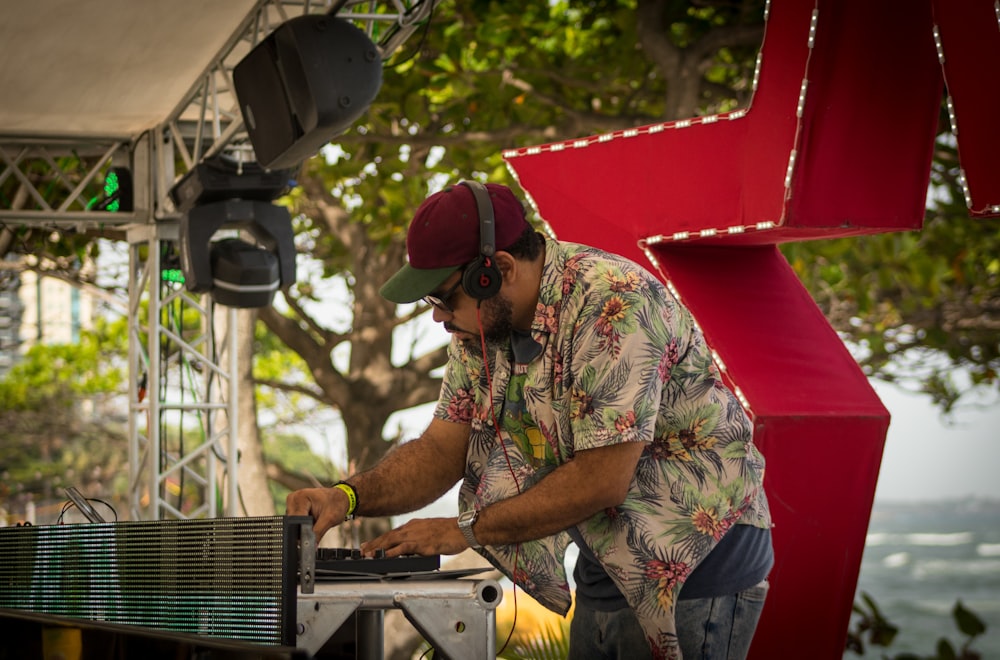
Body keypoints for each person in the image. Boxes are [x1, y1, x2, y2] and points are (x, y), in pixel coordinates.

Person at [286, 181, 774, 659]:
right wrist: (346, 496)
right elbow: (440, 450)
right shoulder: (477, 331)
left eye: (442, 298)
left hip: (697, 559)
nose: (437, 317)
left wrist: (465, 530)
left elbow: (602, 478)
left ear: (495, 271)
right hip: (610, 562)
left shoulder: (612, 302)